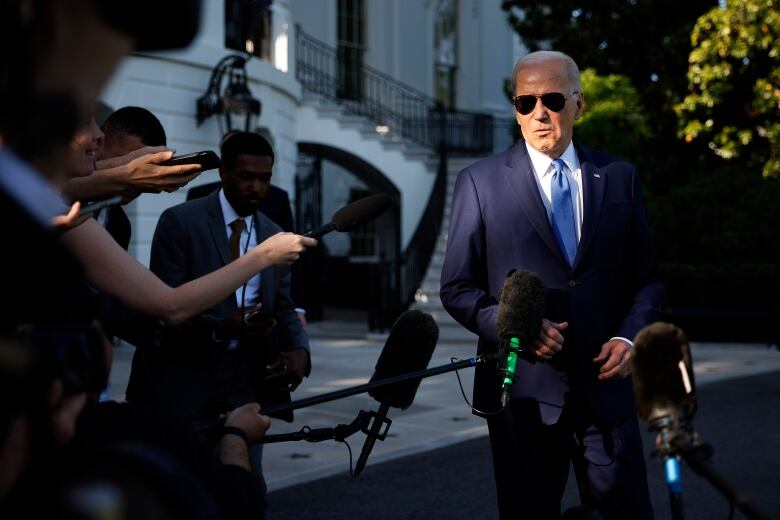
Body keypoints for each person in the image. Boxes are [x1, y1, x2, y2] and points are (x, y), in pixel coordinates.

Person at [439, 51, 662, 519]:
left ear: (578, 106)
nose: (539, 113)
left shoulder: (619, 177)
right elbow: (457, 287)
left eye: (553, 99)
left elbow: (647, 279)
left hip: (606, 392)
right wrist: (514, 325)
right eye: (526, 102)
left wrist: (629, 335)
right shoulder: (478, 183)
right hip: (524, 396)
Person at [126, 131, 310, 440]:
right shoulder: (180, 222)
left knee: (247, 481)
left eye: (265, 179)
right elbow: (161, 310)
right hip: (186, 381)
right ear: (223, 171)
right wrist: (219, 327)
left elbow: (283, 305)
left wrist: (301, 352)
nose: (257, 188)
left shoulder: (274, 233)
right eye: (246, 177)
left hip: (247, 382)